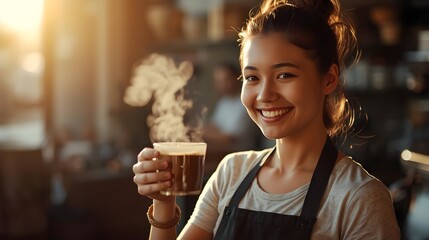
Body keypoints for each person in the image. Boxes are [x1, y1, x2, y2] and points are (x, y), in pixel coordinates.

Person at [132, 0, 401, 239]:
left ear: (329, 78)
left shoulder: (359, 198)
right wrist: (164, 202)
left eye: (284, 75)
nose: (265, 95)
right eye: (252, 78)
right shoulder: (231, 173)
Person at [203, 62, 262, 156]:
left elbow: (228, 139)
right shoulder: (223, 102)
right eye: (218, 81)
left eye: (225, 80)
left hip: (240, 155)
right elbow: (213, 126)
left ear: (237, 78)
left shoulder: (245, 104)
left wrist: (201, 132)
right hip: (222, 151)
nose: (221, 85)